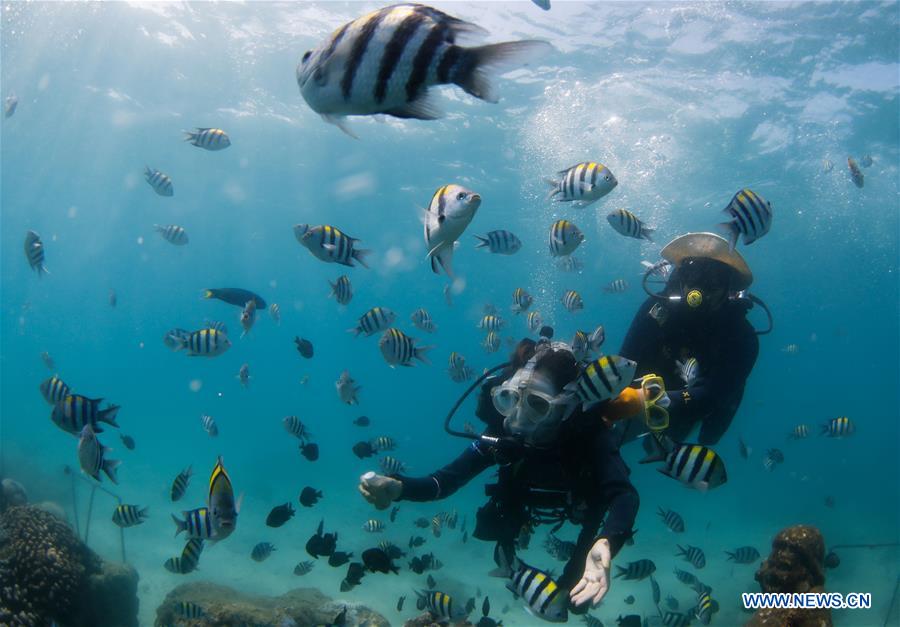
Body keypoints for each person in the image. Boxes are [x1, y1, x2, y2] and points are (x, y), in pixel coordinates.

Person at [358, 334, 639, 612]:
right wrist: (399, 488)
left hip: (583, 509)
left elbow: (623, 495)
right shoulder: (500, 438)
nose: (517, 419)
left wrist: (607, 541)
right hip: (521, 508)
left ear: (565, 406)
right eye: (510, 399)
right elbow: (442, 482)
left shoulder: (588, 436)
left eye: (537, 405)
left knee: (576, 604)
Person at [608, 232, 762, 446]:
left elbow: (711, 395)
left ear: (729, 289)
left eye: (713, 281)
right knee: (603, 434)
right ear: (681, 277)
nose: (699, 289)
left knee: (663, 448)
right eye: (693, 275)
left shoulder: (741, 337)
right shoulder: (656, 308)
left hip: (687, 408)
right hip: (634, 393)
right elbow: (623, 361)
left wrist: (644, 400)